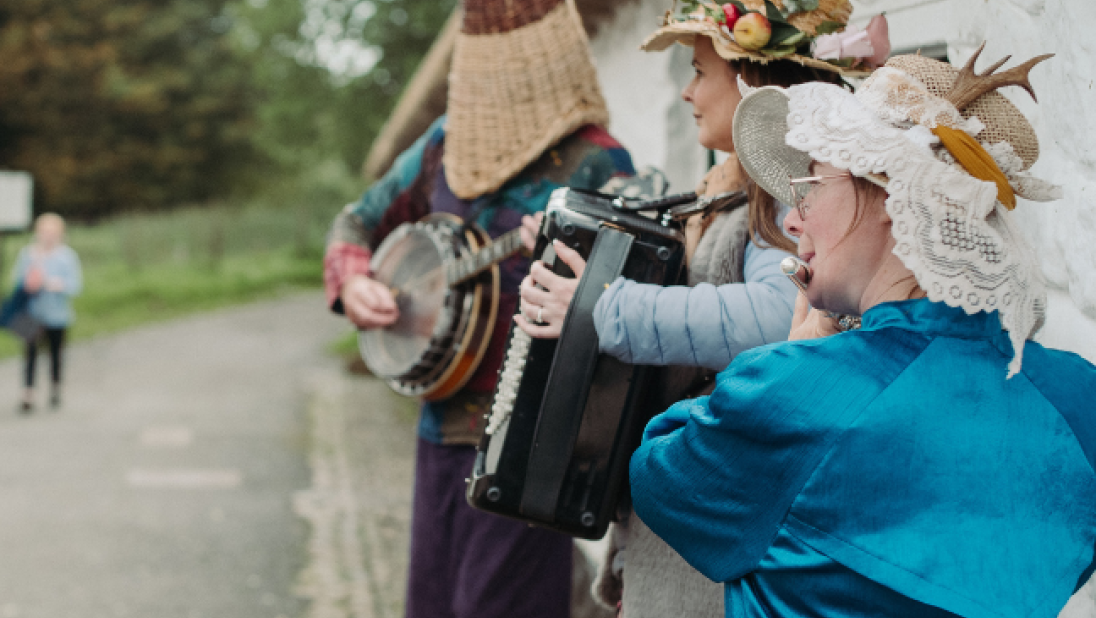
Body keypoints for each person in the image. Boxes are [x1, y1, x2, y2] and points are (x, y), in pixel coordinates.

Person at [629, 47, 1096, 617]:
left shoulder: (792, 392)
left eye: (810, 185)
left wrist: (794, 357)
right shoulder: (1077, 399)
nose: (792, 217)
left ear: (888, 193)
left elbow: (658, 473)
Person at [515, 2, 889, 616]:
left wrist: (605, 309)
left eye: (698, 71)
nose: (687, 91)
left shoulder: (785, 196)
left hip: (723, 491)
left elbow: (777, 318)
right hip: (694, 488)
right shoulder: (729, 188)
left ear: (754, 85)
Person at [322, 1, 634, 616]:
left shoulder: (602, 163)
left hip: (529, 443)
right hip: (438, 426)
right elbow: (357, 220)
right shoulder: (444, 142)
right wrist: (352, 279)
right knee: (430, 603)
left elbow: (623, 310)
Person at [12, 213, 83, 412]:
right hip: (31, 313)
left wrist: (55, 284)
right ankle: (28, 392)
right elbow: (17, 281)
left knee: (55, 353)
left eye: (52, 233)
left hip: (57, 314)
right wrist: (29, 283)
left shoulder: (67, 257)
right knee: (30, 353)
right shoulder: (28, 254)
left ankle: (55, 388)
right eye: (44, 232)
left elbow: (75, 286)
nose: (48, 236)